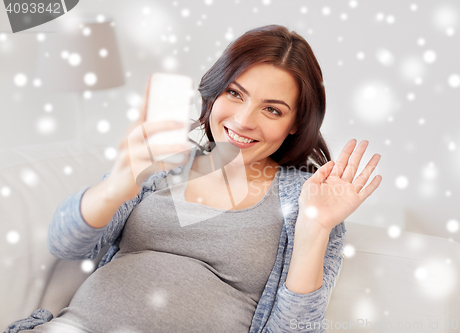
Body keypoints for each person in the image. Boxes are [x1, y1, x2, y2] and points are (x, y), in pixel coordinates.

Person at [6, 24, 381, 333]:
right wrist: (118, 184)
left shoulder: (306, 199)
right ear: (215, 92)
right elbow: (66, 244)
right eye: (235, 93)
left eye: (271, 109)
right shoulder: (165, 160)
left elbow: (294, 329)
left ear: (296, 123)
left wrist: (315, 230)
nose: (244, 120)